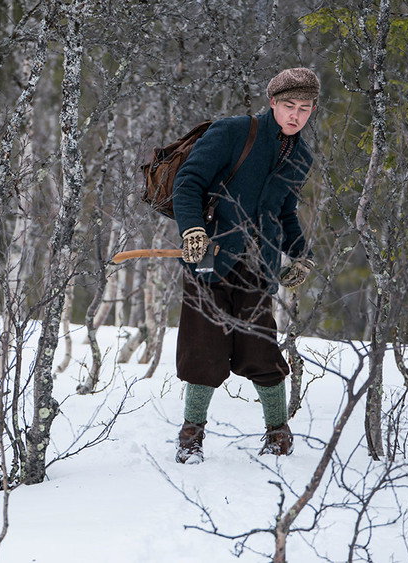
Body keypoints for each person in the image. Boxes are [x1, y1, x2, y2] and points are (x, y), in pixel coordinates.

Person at [171, 67, 319, 464]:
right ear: (272, 103)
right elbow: (188, 183)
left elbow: (285, 211)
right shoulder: (233, 131)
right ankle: (191, 436)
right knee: (203, 348)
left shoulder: (301, 156)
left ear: (312, 110)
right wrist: (193, 230)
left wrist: (300, 253)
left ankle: (278, 434)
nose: (295, 115)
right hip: (208, 255)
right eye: (289, 106)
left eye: (304, 108)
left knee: (262, 349)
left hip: (258, 266)